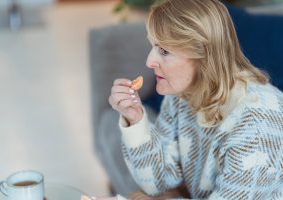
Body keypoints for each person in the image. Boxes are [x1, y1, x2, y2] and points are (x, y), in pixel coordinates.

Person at [107, 0, 283, 199]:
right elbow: (159, 182)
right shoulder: (181, 96)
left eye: (164, 51)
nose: (149, 61)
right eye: (152, 46)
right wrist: (136, 120)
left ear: (204, 55)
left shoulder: (257, 127)